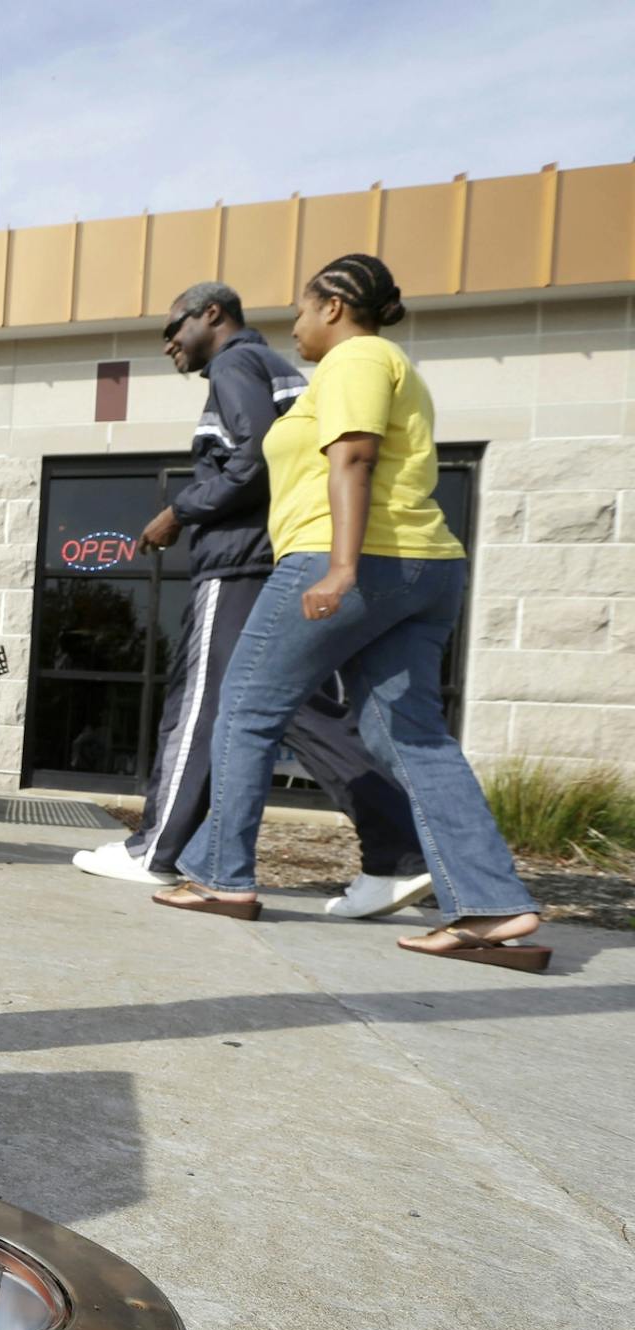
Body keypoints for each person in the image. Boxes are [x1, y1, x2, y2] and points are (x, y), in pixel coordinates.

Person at [152, 254, 547, 970]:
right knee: (409, 735)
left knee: (244, 705)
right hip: (418, 569)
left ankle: (219, 877)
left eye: (302, 310)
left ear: (333, 305)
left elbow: (356, 457)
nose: (295, 327)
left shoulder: (357, 359)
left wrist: (339, 566)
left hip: (357, 558)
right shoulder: (381, 368)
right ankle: (490, 907)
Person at [72, 281, 430, 919]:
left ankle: (156, 850)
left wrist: (178, 513)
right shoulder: (272, 366)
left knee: (203, 701)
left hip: (240, 561)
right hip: (280, 552)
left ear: (212, 315)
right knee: (292, 707)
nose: (168, 345)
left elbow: (254, 457)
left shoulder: (236, 363)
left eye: (174, 328)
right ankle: (401, 850)